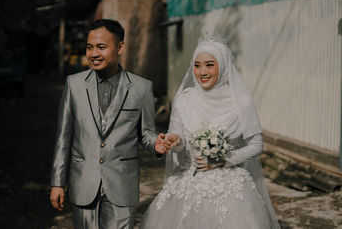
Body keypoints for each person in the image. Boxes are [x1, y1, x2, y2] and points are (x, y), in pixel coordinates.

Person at [49, 19, 177, 229]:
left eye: (101, 47)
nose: (93, 54)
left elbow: (146, 133)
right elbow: (63, 138)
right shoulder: (74, 85)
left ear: (120, 48)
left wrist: (156, 143)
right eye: (89, 47)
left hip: (121, 184)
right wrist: (57, 182)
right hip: (83, 182)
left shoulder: (141, 88)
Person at [140, 38, 280, 229]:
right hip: (188, 182)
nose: (202, 72)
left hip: (229, 186)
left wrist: (226, 159)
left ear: (222, 67)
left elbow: (256, 145)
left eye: (209, 65)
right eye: (197, 66)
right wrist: (174, 141)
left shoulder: (241, 102)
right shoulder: (184, 100)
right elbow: (178, 141)